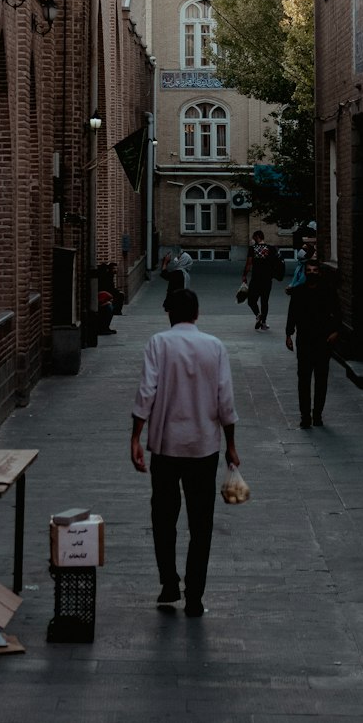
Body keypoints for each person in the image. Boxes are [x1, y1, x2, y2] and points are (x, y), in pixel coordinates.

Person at [130, 288, 239, 618]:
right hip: (204, 447)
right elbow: (225, 400)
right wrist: (231, 444)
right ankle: (195, 596)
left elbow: (146, 391)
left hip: (166, 446)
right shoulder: (215, 347)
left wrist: (136, 436)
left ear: (169, 314)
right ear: (197, 313)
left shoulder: (158, 344)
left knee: (163, 517)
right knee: (201, 522)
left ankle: (168, 582)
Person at [285, 259, 340, 429]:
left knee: (321, 379)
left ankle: (317, 414)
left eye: (315, 270)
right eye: (309, 270)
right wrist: (289, 334)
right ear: (305, 273)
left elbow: (337, 311)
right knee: (304, 379)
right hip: (304, 340)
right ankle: (305, 416)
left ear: (320, 273)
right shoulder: (299, 292)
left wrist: (335, 331)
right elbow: (292, 313)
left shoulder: (328, 291)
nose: (312, 273)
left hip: (323, 340)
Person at [241, 230, 280, 331]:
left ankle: (258, 315)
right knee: (264, 301)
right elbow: (275, 263)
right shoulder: (271, 248)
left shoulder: (252, 248)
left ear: (257, 237)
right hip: (267, 279)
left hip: (256, 279)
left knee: (251, 300)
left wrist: (244, 275)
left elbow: (249, 263)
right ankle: (264, 323)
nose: (253, 239)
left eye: (254, 237)